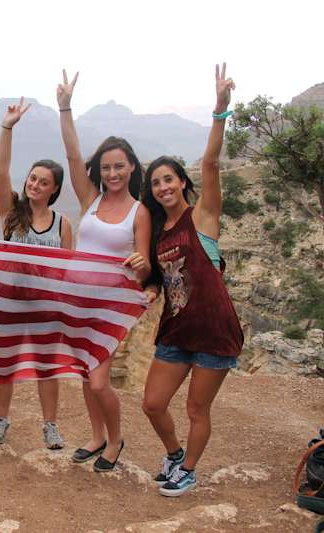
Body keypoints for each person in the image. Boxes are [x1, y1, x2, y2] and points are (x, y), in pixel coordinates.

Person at [141, 64, 243, 497]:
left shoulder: (202, 217)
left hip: (215, 331)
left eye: (169, 178)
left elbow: (211, 162)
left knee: (196, 407)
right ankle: (175, 453)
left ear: (182, 182)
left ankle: (190, 470)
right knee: (152, 403)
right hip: (178, 330)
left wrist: (219, 111)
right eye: (156, 182)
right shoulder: (159, 233)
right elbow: (161, 282)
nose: (163, 186)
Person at [57, 70, 151, 472]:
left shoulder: (139, 211)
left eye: (119, 167)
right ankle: (95, 436)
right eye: (106, 167)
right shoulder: (90, 200)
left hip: (109, 309)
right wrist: (65, 107)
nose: (112, 174)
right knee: (84, 374)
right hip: (78, 302)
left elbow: (144, 266)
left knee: (99, 381)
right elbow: (74, 157)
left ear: (131, 168)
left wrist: (142, 265)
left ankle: (115, 440)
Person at [0, 97, 74, 449]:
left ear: (54, 189)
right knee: (3, 362)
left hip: (45, 306)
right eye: (32, 178)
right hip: (7, 300)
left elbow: (68, 269)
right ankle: (1, 420)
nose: (34, 184)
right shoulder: (11, 211)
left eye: (43, 182)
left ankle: (50, 426)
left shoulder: (63, 224)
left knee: (47, 367)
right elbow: (0, 173)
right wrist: (7, 127)